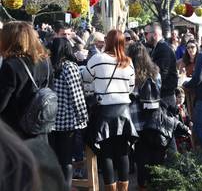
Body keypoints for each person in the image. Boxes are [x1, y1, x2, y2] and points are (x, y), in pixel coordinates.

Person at [127, 43, 190, 189]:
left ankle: (142, 184)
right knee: (156, 151)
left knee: (141, 153)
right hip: (154, 118)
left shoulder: (129, 73)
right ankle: (157, 181)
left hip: (136, 119)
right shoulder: (155, 72)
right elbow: (159, 91)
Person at [82, 29, 137, 191]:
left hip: (104, 110)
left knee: (106, 153)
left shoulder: (97, 59)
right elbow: (131, 87)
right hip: (123, 111)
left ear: (107, 41)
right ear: (122, 43)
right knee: (123, 152)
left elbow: (85, 77)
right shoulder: (128, 62)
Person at [0, 21, 52, 140]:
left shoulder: (11, 65)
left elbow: (2, 102)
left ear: (9, 39)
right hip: (40, 127)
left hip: (16, 131)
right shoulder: (46, 61)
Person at [48, 38, 88, 188]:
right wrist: (83, 117)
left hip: (48, 119)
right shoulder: (70, 67)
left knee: (52, 158)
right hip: (65, 120)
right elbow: (77, 96)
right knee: (66, 160)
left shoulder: (47, 65)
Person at [147, 23, 178, 109]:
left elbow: (161, 73)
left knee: (167, 120)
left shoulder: (163, 49)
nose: (145, 36)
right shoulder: (158, 47)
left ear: (154, 34)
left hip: (166, 95)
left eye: (147, 33)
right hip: (163, 93)